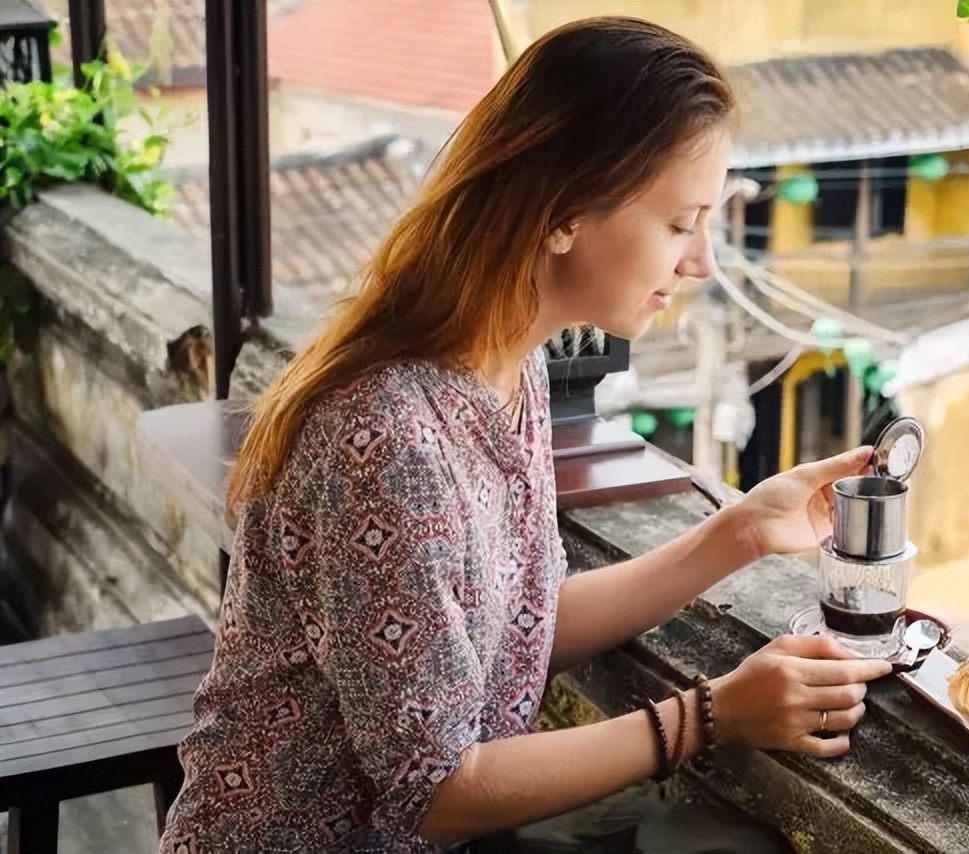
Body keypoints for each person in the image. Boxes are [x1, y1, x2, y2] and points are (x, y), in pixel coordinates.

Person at [159, 16, 890, 854]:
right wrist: (709, 715)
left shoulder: (512, 369)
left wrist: (743, 529)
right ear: (564, 212)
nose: (703, 264)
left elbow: (520, 624)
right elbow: (432, 793)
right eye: (683, 223)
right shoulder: (387, 438)